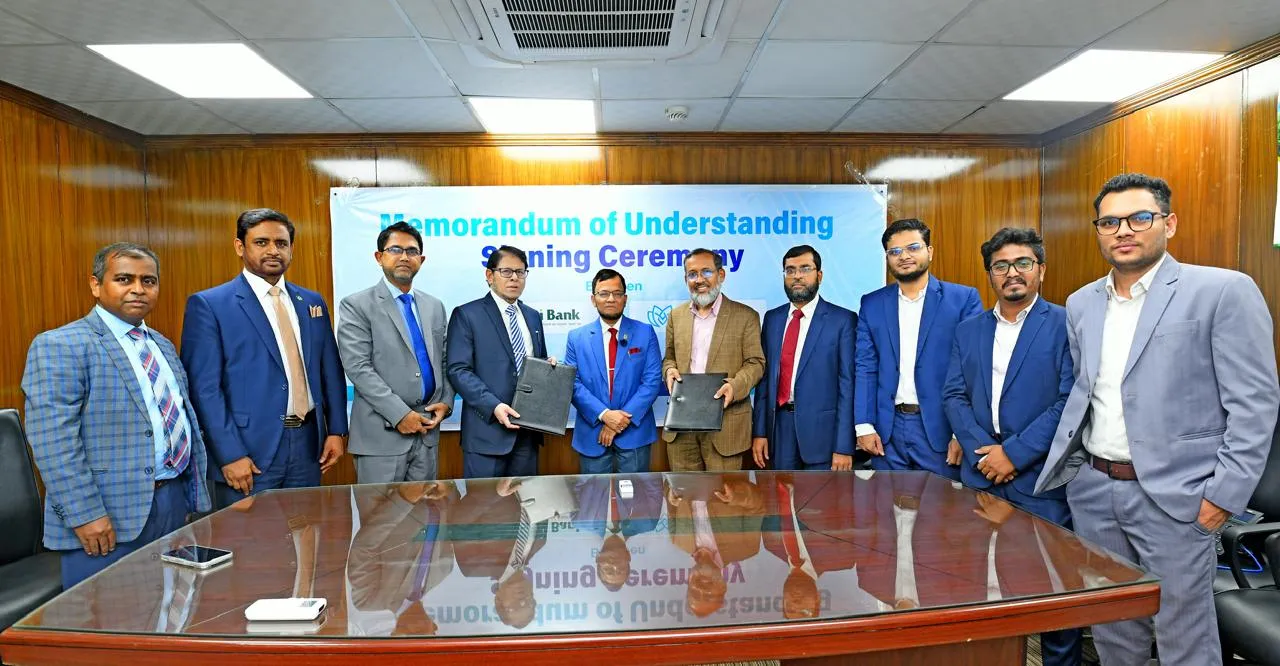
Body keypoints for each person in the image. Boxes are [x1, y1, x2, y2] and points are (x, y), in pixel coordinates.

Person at [1036, 173, 1279, 665]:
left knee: (1184, 638)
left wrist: (1221, 498)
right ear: (1098, 231)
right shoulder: (1082, 303)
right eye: (1109, 222)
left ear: (1169, 223)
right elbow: (1088, 392)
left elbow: (1255, 405)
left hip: (1178, 498)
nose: (1123, 230)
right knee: (1113, 632)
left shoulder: (1222, 291)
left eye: (1139, 218)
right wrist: (1078, 478)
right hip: (1095, 491)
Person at [23, 242, 211, 589]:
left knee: (170, 606)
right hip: (104, 516)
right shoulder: (61, 345)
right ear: (96, 285)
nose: (138, 289)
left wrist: (188, 495)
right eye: (124, 279)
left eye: (148, 281)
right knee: (112, 615)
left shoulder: (161, 344)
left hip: (171, 502)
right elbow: (54, 442)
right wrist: (85, 514)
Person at [942, 227, 1081, 666]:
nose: (1012, 273)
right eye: (1000, 265)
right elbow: (954, 396)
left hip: (1040, 480)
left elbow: (1070, 400)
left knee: (1054, 592)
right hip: (981, 474)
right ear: (990, 274)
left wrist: (1014, 454)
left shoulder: (1066, 324)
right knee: (980, 586)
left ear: (1041, 269)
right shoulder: (969, 330)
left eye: (1023, 263)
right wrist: (986, 452)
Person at [181, 208, 347, 509]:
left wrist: (335, 429)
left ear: (291, 248)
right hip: (248, 451)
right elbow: (204, 390)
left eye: (281, 243)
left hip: (309, 446)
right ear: (240, 246)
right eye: (261, 242)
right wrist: (229, 454)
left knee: (306, 529)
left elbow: (330, 370)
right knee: (252, 536)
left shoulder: (311, 301)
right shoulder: (210, 305)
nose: (273, 250)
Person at [855, 218, 983, 479]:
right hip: (887, 431)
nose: (904, 256)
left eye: (913, 247)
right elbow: (865, 366)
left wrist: (962, 432)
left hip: (941, 428)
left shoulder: (963, 300)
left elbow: (973, 370)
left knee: (941, 504)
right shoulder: (872, 303)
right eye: (895, 251)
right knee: (885, 503)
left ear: (930, 251)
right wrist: (864, 425)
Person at [337, 221, 454, 483]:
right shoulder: (356, 305)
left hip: (427, 434)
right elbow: (358, 368)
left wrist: (446, 402)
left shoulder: (434, 306)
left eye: (412, 251)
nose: (404, 257)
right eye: (395, 250)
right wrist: (400, 414)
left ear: (421, 260)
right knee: (381, 511)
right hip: (382, 436)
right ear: (379, 257)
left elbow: (445, 361)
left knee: (424, 508)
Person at [445, 245, 548, 478]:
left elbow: (537, 364)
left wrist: (548, 369)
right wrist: (494, 406)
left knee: (526, 500)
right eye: (506, 271)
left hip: (527, 434)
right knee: (484, 502)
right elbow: (458, 370)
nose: (514, 278)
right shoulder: (467, 314)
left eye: (520, 272)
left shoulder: (532, 316)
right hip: (486, 434)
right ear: (489, 275)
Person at [752, 245, 857, 471]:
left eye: (805, 269)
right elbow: (764, 382)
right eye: (790, 270)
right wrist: (760, 432)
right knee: (779, 493)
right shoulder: (772, 319)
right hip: (779, 431)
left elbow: (848, 387)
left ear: (819, 275)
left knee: (822, 495)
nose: (797, 276)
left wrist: (844, 445)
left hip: (824, 435)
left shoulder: (842, 320)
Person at [661, 249, 765, 471]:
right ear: (686, 279)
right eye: (692, 274)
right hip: (682, 426)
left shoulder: (746, 316)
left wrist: (735, 387)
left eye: (706, 272)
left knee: (723, 493)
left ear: (721, 275)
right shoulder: (676, 316)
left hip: (725, 425)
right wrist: (669, 370)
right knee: (683, 491)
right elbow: (669, 358)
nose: (699, 280)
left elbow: (756, 363)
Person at [563, 268, 662, 474]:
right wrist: (604, 415)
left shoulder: (645, 332)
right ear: (593, 299)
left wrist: (617, 422)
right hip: (592, 434)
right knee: (593, 494)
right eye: (604, 293)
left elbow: (652, 381)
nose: (611, 299)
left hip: (634, 434)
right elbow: (573, 383)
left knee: (636, 494)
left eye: (617, 294)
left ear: (625, 298)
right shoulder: (576, 337)